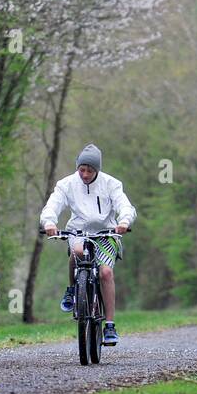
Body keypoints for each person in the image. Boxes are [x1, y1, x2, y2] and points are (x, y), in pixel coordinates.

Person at [40, 143, 135, 346]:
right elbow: (53, 204)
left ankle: (109, 325)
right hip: (78, 231)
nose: (85, 174)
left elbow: (124, 205)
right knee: (77, 251)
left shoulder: (111, 184)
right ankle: (72, 289)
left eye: (90, 170)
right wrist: (49, 222)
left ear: (97, 170)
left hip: (106, 233)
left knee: (106, 273)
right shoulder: (66, 184)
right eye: (81, 169)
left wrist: (124, 221)